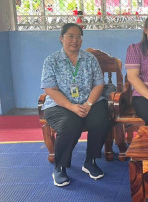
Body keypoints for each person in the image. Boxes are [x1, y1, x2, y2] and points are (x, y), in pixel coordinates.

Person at [40, 23, 109, 187]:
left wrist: (89, 103)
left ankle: (90, 161)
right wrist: (71, 107)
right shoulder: (51, 61)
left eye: (79, 36)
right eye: (70, 36)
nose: (75, 40)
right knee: (70, 125)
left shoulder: (90, 59)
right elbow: (50, 89)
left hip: (89, 101)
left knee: (101, 119)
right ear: (61, 38)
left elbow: (99, 84)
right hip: (60, 105)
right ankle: (60, 167)